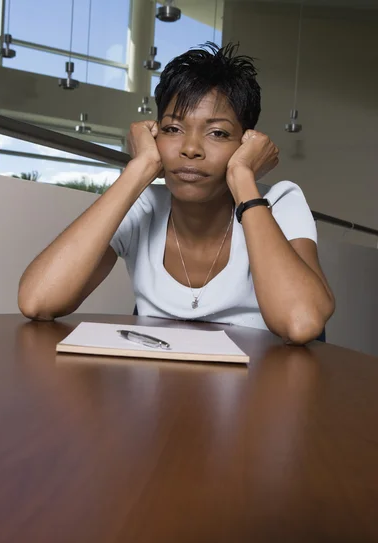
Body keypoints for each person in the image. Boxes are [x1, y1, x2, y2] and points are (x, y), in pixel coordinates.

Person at [18, 42, 335, 345]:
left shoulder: (280, 202)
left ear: (247, 144)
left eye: (218, 133)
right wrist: (139, 169)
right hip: (159, 392)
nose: (191, 149)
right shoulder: (144, 206)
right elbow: (37, 301)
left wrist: (243, 178)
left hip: (260, 392)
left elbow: (301, 321)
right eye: (172, 129)